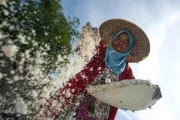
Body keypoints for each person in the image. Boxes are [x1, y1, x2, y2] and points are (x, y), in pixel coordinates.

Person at [35, 18, 150, 120]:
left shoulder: (127, 72)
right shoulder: (101, 51)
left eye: (126, 42)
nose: (120, 43)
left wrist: (143, 97)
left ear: (129, 48)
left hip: (100, 115)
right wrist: (89, 35)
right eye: (118, 38)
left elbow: (130, 93)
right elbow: (87, 47)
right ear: (113, 39)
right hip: (77, 103)